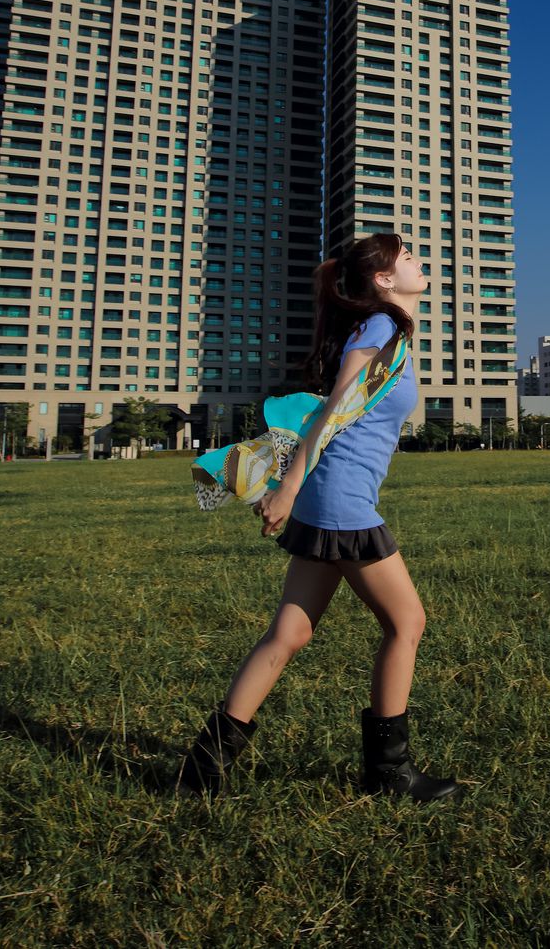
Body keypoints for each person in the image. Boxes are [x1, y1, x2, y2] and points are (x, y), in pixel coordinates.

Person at [175, 233, 460, 802]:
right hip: (341, 500)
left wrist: (292, 488)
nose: (418, 263)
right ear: (383, 280)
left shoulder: (387, 330)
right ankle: (389, 775)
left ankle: (202, 769)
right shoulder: (381, 328)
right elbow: (331, 410)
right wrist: (286, 489)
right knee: (407, 624)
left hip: (329, 495)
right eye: (406, 258)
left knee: (291, 630)